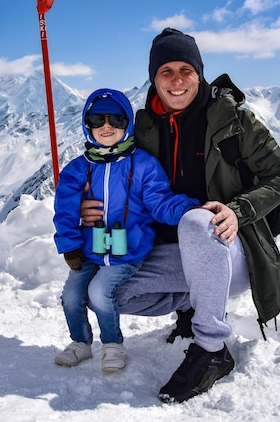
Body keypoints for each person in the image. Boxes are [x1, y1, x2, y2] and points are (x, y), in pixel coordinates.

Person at [80, 29, 280, 402]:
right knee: (103, 291)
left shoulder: (235, 121)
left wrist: (238, 210)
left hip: (234, 247)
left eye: (186, 69)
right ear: (154, 78)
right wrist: (90, 203)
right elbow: (123, 183)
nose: (177, 80)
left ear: (199, 73)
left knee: (197, 220)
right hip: (183, 254)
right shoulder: (144, 128)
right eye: (166, 71)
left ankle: (212, 349)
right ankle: (194, 305)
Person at [53, 88, 200, 374]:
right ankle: (80, 343)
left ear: (127, 124)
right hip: (89, 248)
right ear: (87, 125)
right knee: (70, 296)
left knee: (98, 292)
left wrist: (193, 208)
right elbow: (65, 210)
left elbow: (160, 202)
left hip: (128, 251)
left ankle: (113, 344)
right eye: (98, 120)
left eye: (116, 120)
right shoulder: (76, 170)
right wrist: (69, 245)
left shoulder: (142, 165)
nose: (107, 127)